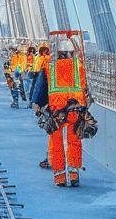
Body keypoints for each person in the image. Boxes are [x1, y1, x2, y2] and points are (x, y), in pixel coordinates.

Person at [29, 37, 88, 187]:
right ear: (71, 53)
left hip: (56, 112)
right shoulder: (79, 67)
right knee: (74, 141)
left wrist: (36, 104)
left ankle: (60, 177)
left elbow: (40, 88)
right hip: (75, 110)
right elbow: (85, 88)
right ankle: (73, 174)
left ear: (59, 53)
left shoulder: (50, 67)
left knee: (56, 143)